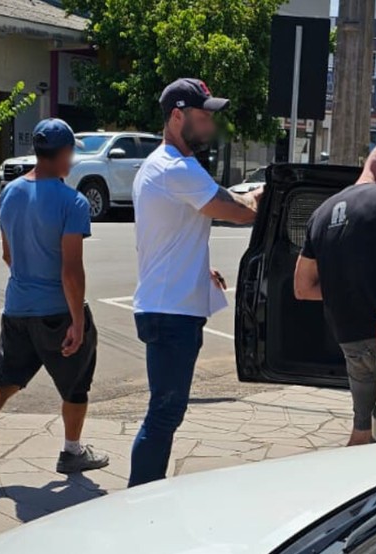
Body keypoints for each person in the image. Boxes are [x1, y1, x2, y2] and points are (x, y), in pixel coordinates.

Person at [0, 119, 108, 494]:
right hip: (57, 312)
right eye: (72, 152)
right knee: (75, 386)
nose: (72, 159)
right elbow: (71, 271)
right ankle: (72, 451)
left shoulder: (11, 193)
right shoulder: (73, 202)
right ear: (63, 153)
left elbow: (7, 255)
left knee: (2, 382)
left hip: (16, 308)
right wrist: (77, 321)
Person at [128, 78, 262, 487]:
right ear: (176, 116)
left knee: (165, 412)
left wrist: (198, 268)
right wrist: (261, 196)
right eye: (203, 116)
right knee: (164, 413)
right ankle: (138, 498)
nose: (209, 125)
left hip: (164, 304)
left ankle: (144, 492)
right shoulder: (177, 168)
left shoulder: (158, 165)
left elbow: (169, 234)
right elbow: (238, 211)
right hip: (171, 313)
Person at [294, 140, 376, 446]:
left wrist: (345, 287)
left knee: (364, 426)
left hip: (349, 338)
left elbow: (302, 288)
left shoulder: (322, 213)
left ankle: (352, 465)